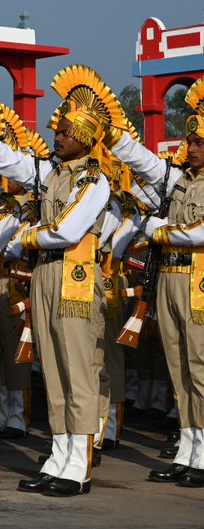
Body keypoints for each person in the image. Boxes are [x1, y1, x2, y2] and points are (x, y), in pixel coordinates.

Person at [0, 65, 121, 497]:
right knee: (54, 369)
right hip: (45, 273)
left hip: (74, 274)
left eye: (63, 131)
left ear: (84, 134)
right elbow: (3, 157)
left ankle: (78, 464)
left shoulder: (95, 180)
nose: (55, 136)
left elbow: (68, 230)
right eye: (56, 130)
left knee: (76, 369)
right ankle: (59, 454)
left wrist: (24, 236)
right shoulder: (51, 173)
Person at [106, 76, 204, 487]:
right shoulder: (181, 179)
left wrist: (161, 230)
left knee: (199, 368)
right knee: (178, 367)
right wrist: (113, 136)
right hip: (170, 279)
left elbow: (199, 233)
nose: (191, 148)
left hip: (198, 282)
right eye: (191, 142)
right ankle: (188, 449)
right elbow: (146, 163)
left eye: (198, 143)